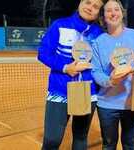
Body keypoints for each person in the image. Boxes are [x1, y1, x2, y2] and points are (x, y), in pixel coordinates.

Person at [37, 0, 107, 149]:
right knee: (52, 140)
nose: (90, 8)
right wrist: (65, 67)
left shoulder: (99, 34)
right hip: (60, 91)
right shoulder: (59, 25)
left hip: (88, 92)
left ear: (98, 12)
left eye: (95, 7)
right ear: (80, 2)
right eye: (88, 2)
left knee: (81, 137)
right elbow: (43, 53)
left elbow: (104, 62)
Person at [91, 0, 134, 149]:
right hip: (107, 104)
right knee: (109, 145)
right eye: (108, 11)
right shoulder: (98, 42)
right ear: (103, 17)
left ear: (122, 13)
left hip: (133, 101)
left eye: (116, 9)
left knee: (130, 144)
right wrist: (110, 81)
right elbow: (96, 71)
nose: (113, 13)